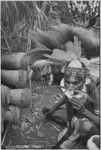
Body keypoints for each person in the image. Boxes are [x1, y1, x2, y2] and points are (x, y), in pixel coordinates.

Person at [43, 59, 100, 148]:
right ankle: (72, 128)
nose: (70, 87)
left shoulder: (93, 91)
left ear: (84, 80)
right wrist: (53, 107)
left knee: (86, 127)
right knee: (50, 114)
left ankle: (80, 139)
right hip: (76, 117)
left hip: (89, 121)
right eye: (67, 82)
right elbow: (67, 95)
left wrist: (85, 112)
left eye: (75, 83)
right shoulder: (71, 87)